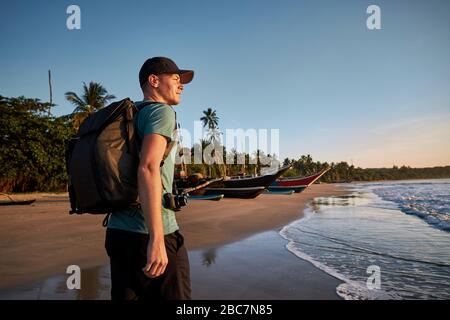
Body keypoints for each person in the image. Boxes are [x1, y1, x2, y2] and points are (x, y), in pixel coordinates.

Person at [105, 57, 194, 300]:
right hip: (152, 233)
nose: (181, 85)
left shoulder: (129, 115)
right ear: (154, 81)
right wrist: (156, 239)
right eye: (176, 79)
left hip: (117, 232)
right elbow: (148, 167)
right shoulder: (161, 112)